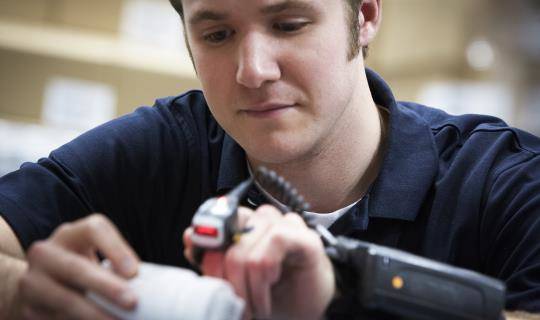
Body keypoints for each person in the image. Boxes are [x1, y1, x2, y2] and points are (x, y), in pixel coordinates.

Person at [0, 0, 539, 318]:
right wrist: (22, 294)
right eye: (217, 34)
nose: (252, 71)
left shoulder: (509, 183)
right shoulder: (162, 146)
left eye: (288, 23)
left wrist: (340, 296)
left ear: (366, 13)